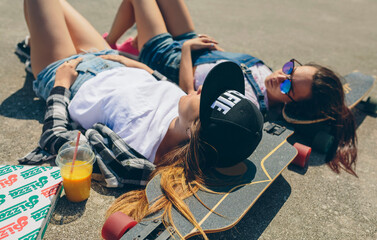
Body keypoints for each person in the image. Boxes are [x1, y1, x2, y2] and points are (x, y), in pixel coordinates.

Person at [23, 0, 264, 238]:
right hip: (112, 59)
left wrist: (60, 85)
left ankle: (35, 47)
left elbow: (60, 142)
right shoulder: (185, 111)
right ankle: (34, 44)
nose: (200, 88)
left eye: (207, 95)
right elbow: (161, 86)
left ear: (194, 130)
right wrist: (133, 63)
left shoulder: (135, 156)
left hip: (70, 74)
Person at [104, 0, 357, 176]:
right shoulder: (270, 76)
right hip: (196, 44)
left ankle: (110, 44)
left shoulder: (245, 100)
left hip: (172, 57)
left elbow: (186, 96)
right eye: (290, 68)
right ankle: (136, 43)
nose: (281, 76)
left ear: (293, 105)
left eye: (288, 85)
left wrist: (185, 51)